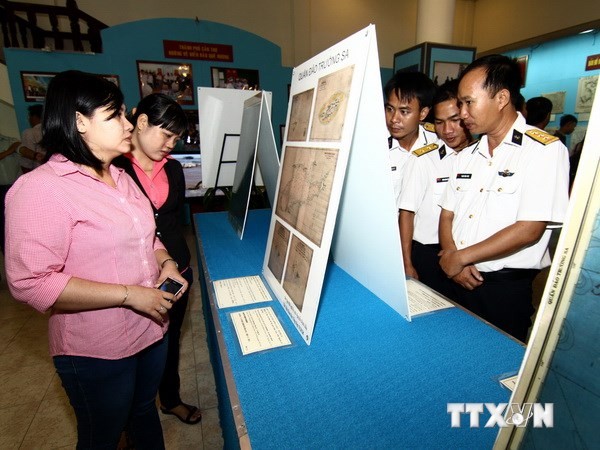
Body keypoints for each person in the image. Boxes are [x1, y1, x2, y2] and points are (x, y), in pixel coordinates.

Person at [5, 70, 188, 449]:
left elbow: (149, 236)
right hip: (97, 349)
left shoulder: (120, 179)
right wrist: (128, 294)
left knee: (142, 413)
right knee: (102, 434)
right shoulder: (42, 189)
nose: (127, 125)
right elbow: (31, 282)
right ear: (79, 122)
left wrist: (166, 263)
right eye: (115, 116)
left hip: (149, 332)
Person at [438, 55, 570, 343]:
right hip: (454, 278)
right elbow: (447, 213)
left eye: (468, 102)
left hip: (501, 291)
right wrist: (452, 259)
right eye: (460, 103)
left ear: (501, 98)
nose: (462, 113)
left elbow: (529, 229)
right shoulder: (468, 155)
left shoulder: (543, 151)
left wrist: (460, 257)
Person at [114, 93, 202, 425]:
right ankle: (128, 413)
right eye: (166, 134)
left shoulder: (175, 169)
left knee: (170, 340)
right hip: (132, 277)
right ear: (140, 122)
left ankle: (170, 399)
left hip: (176, 269)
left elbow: (170, 221)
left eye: (176, 138)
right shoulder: (113, 168)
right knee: (130, 349)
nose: (171, 144)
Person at [398, 79, 471, 295]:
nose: (447, 130)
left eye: (455, 120)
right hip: (429, 256)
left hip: (470, 257)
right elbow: (406, 213)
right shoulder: (424, 159)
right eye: (439, 123)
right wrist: (407, 262)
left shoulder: (483, 158)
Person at [383, 71, 439, 213]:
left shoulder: (439, 144)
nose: (394, 119)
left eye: (404, 112)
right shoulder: (376, 146)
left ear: (423, 113)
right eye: (390, 109)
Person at [0, 134, 23, 254]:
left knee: (21, 222)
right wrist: (9, 151)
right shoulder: (9, 146)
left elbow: (18, 143)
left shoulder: (8, 139)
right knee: (3, 226)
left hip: (16, 187)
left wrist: (11, 149)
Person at [18, 104, 45, 172]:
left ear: (34, 117)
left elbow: (27, 163)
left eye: (29, 116)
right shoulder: (55, 131)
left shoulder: (29, 133)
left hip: (39, 172)